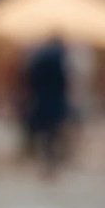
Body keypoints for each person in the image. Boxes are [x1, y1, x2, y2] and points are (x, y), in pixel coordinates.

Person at [22, 34, 70, 174]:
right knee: (53, 131)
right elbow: (63, 81)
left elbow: (31, 78)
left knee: (44, 132)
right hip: (54, 100)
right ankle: (51, 159)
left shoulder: (39, 58)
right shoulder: (60, 59)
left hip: (41, 99)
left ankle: (45, 157)